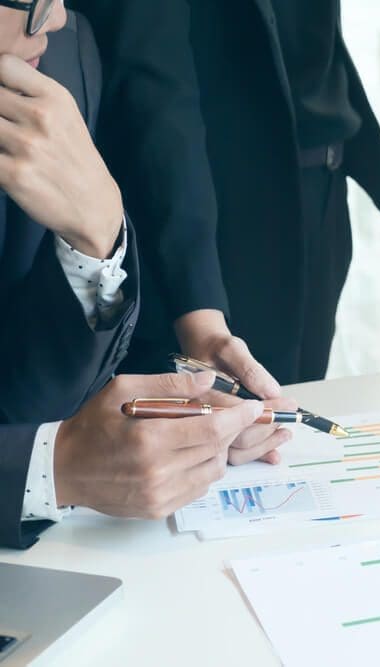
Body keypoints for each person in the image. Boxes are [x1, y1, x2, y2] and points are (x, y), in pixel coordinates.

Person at [0, 1, 284, 550]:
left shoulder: (58, 64)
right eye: (32, 0)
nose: (55, 18)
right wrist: (55, 468)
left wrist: (97, 236)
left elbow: (21, 400)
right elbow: (52, 454)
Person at [71, 0, 380, 389]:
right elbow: (151, 73)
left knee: (289, 429)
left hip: (320, 182)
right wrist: (200, 312)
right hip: (195, 216)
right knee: (217, 425)